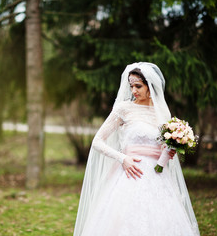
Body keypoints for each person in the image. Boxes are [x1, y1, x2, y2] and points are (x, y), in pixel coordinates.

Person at [73, 62, 200, 236]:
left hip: (159, 177)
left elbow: (163, 145)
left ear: (150, 86)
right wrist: (122, 158)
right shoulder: (124, 109)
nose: (133, 91)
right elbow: (97, 141)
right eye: (131, 86)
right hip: (130, 174)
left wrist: (170, 150)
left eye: (138, 86)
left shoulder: (161, 113)